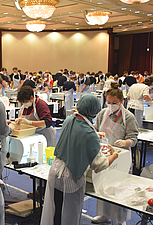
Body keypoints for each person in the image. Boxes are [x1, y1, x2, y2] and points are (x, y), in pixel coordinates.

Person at [40, 94, 119, 225]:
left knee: (56, 211)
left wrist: (94, 134)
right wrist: (115, 155)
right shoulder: (89, 134)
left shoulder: (69, 119)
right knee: (69, 215)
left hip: (55, 171)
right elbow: (100, 164)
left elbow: (76, 135)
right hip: (71, 178)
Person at [92, 83, 138, 225]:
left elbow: (134, 138)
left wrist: (125, 143)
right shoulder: (102, 113)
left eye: (114, 103)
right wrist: (96, 133)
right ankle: (104, 215)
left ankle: (120, 219)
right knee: (103, 185)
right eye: (108, 102)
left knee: (119, 188)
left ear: (121, 102)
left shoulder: (128, 117)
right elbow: (93, 128)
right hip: (105, 153)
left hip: (121, 156)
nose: (111, 105)